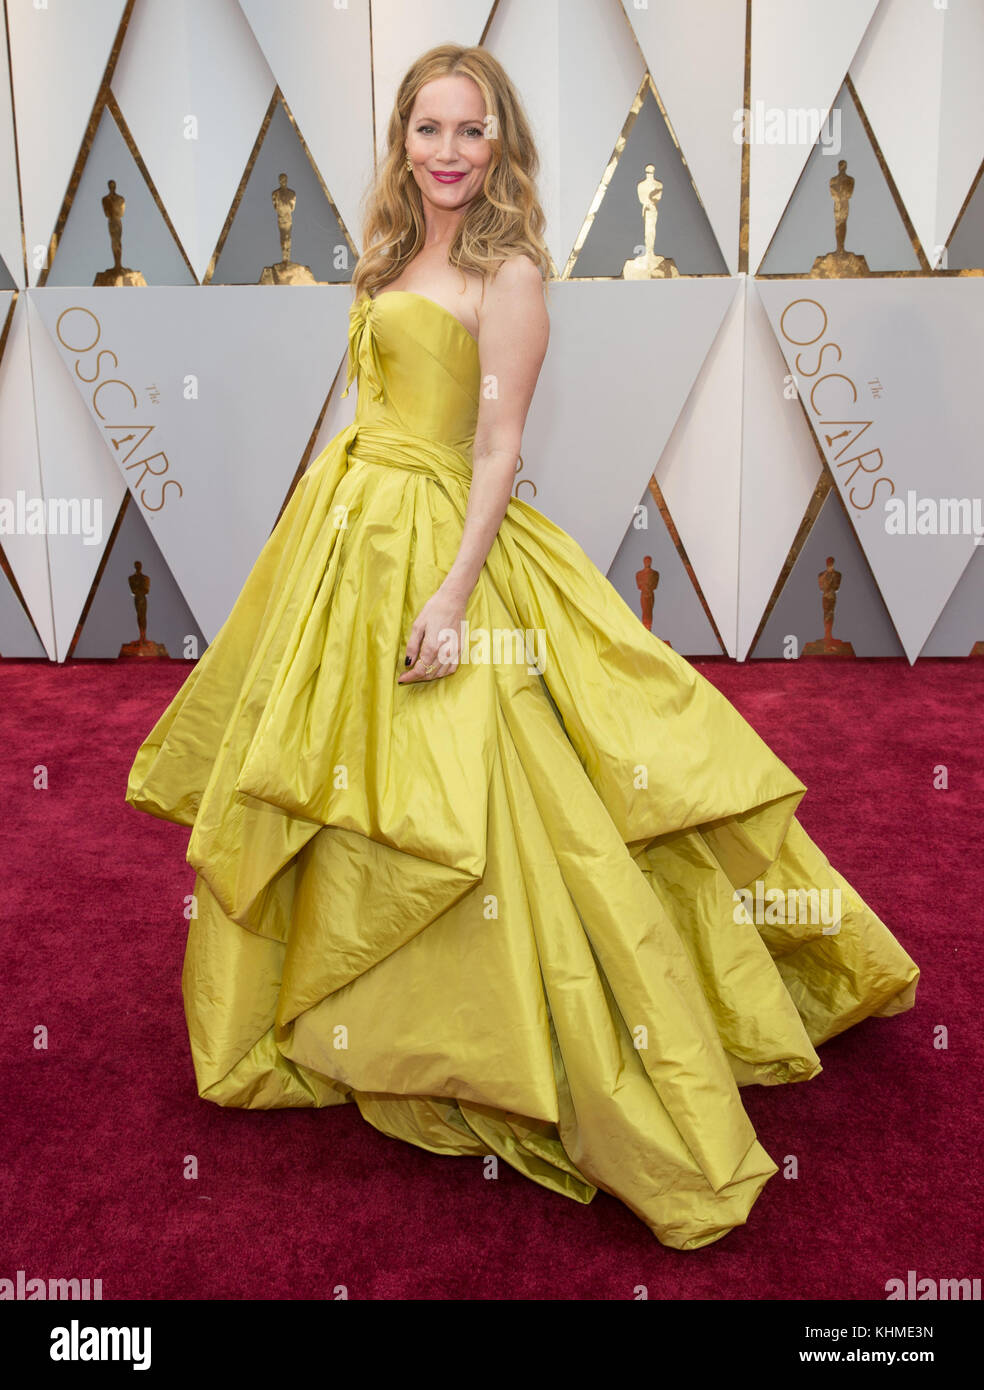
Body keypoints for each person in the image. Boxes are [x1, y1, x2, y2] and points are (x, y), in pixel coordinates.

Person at [125, 44, 919, 1251]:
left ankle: (547, 1040)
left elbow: (494, 450)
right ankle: (355, 998)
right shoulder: (394, 253)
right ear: (402, 138)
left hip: (444, 543)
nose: (448, 152)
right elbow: (371, 400)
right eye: (428, 129)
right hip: (349, 529)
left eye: (470, 130)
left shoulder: (511, 271)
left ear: (502, 144)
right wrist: (327, 516)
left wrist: (450, 596)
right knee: (331, 770)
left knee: (498, 791)